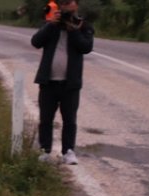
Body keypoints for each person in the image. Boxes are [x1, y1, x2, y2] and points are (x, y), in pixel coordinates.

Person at [31, 0, 94, 165]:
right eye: (63, 3)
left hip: (70, 83)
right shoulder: (52, 25)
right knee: (45, 119)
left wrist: (72, 29)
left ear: (76, 6)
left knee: (69, 119)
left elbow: (86, 47)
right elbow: (36, 42)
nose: (66, 7)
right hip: (48, 81)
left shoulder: (83, 25)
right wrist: (51, 25)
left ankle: (68, 151)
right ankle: (45, 150)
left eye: (69, 3)